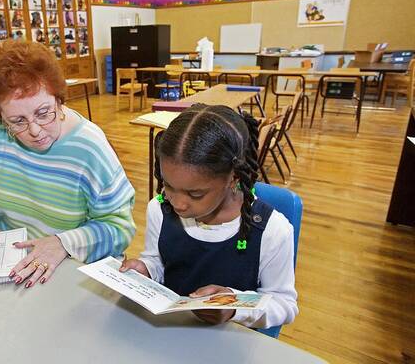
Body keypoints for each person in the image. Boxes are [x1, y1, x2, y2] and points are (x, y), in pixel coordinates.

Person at [0, 40, 136, 288]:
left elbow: (119, 227)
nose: (35, 131)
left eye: (43, 112)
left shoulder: (89, 148)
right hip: (9, 265)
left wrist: (63, 243)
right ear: (1, 118)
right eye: (17, 121)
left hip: (71, 271)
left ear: (59, 100)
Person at [120, 105, 297, 329]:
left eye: (195, 194)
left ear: (233, 178)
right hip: (170, 330)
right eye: (169, 186)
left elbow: (284, 304)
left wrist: (233, 306)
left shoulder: (272, 230)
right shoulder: (160, 208)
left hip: (232, 340)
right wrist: (145, 269)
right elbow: (159, 261)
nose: (178, 203)